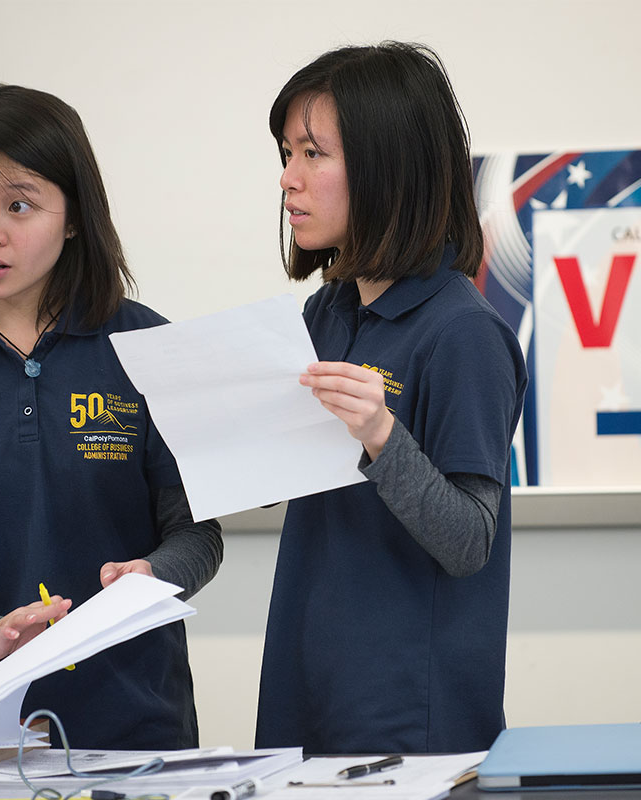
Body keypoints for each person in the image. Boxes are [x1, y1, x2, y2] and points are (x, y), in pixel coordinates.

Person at [0, 84, 222, 750]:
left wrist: (155, 577)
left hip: (137, 729)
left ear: (74, 217)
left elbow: (198, 535)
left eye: (19, 205)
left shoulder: (152, 349)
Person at [255, 43, 528, 755]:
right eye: (287, 154)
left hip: (410, 719)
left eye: (313, 154)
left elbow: (469, 541)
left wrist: (381, 432)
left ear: (387, 167)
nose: (288, 180)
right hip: (304, 692)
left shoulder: (464, 333)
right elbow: (279, 483)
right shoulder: (324, 315)